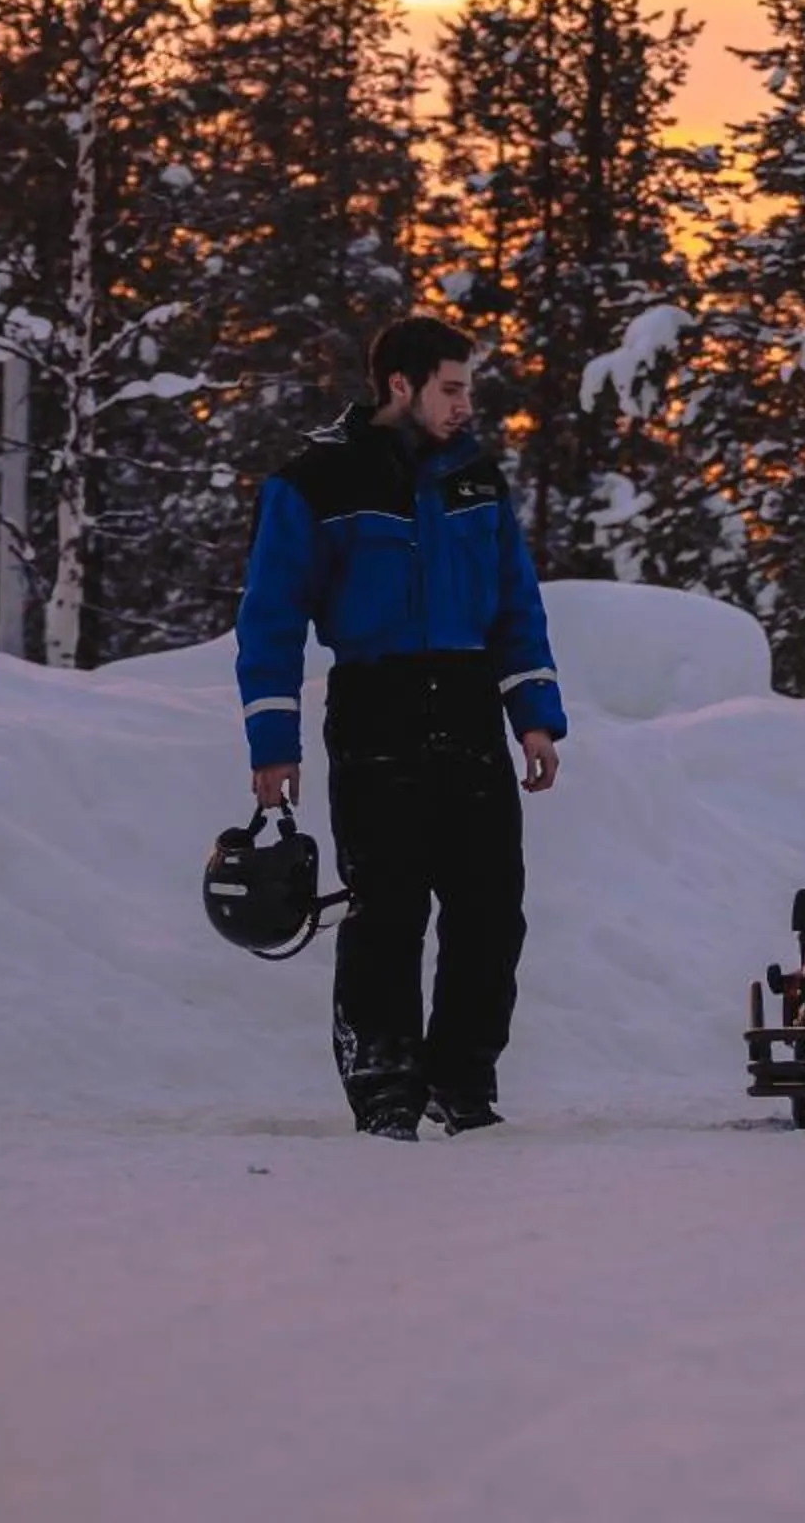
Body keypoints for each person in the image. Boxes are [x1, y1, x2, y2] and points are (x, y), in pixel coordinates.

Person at [234, 315, 565, 1138]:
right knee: (387, 909)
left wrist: (534, 718)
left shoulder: (477, 480)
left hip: (465, 703)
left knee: (491, 909)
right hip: (374, 706)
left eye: (467, 390)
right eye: (450, 389)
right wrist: (273, 743)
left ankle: (463, 1079)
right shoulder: (314, 482)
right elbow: (271, 618)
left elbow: (517, 605)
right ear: (400, 387)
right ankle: (385, 1085)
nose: (463, 406)